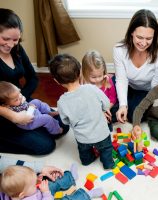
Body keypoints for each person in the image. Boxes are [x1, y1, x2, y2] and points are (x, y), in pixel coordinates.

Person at [0, 8, 68, 155]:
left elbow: (33, 77)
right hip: (4, 113)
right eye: (5, 39)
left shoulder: (16, 49)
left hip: (20, 102)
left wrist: (21, 99)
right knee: (46, 145)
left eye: (15, 39)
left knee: (64, 123)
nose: (10, 44)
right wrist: (14, 115)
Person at [49, 53, 114, 170]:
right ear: (80, 73)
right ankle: (108, 164)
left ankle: (87, 161)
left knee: (84, 152)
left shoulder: (61, 102)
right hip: (102, 134)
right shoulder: (92, 88)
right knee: (106, 149)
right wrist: (104, 109)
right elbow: (106, 103)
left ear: (57, 81)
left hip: (82, 138)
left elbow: (65, 121)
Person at [113, 9, 158, 123]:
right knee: (107, 98)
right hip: (127, 85)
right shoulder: (119, 50)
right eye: (139, 37)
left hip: (147, 91)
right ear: (132, 32)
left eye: (149, 39)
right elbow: (121, 80)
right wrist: (123, 105)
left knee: (135, 114)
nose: (143, 43)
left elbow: (155, 85)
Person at [82, 50, 118, 125]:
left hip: (108, 107)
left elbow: (113, 98)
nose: (97, 79)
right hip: (93, 109)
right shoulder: (84, 85)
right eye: (93, 77)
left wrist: (106, 109)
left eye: (100, 76)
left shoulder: (107, 79)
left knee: (117, 110)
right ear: (85, 73)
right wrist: (99, 112)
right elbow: (87, 104)